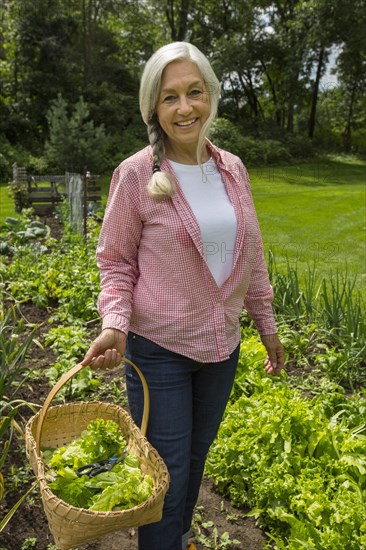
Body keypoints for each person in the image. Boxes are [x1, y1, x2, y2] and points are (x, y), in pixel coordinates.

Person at [82, 41, 285, 550]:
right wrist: (114, 323)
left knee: (195, 461)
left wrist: (267, 325)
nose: (185, 107)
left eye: (194, 92)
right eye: (170, 97)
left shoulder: (233, 169)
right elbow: (115, 261)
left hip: (221, 348)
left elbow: (252, 256)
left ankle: (178, 538)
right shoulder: (136, 175)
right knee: (165, 480)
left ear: (211, 96)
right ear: (154, 107)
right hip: (159, 351)